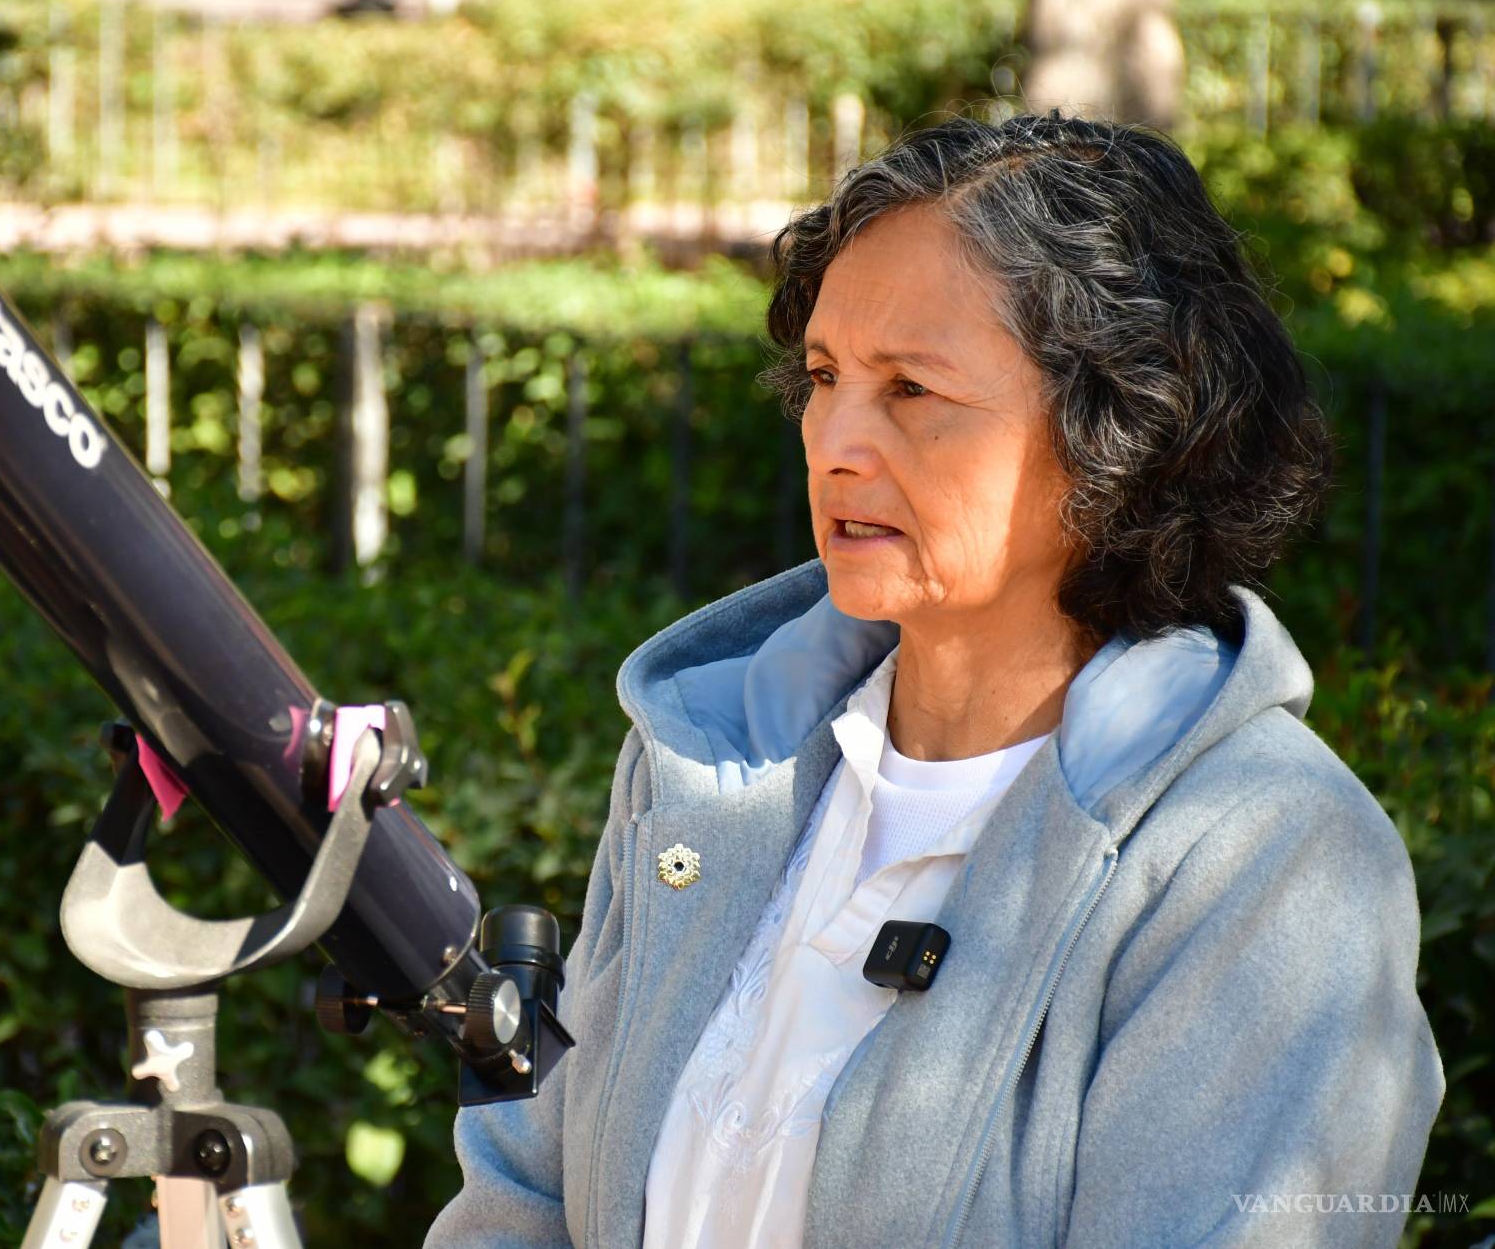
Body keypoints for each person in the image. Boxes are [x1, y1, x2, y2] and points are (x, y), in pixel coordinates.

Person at [427, 110, 1446, 1248]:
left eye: (909, 388)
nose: (833, 441)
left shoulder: (1267, 864)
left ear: (1121, 428)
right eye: (822, 376)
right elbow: (522, 1196)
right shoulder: (705, 754)